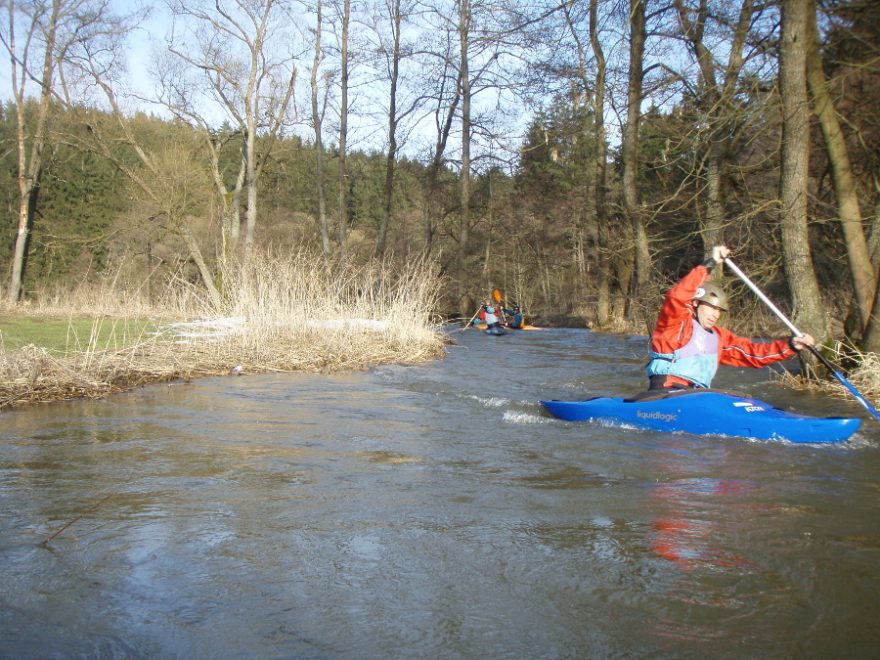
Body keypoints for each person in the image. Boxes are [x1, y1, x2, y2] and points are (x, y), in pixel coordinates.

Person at [646, 245, 815, 390]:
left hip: (698, 395)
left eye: (719, 310)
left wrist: (790, 346)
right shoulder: (676, 324)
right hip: (666, 390)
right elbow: (677, 297)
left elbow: (752, 354)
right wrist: (709, 264)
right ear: (696, 303)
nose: (715, 314)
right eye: (712, 308)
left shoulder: (719, 338)